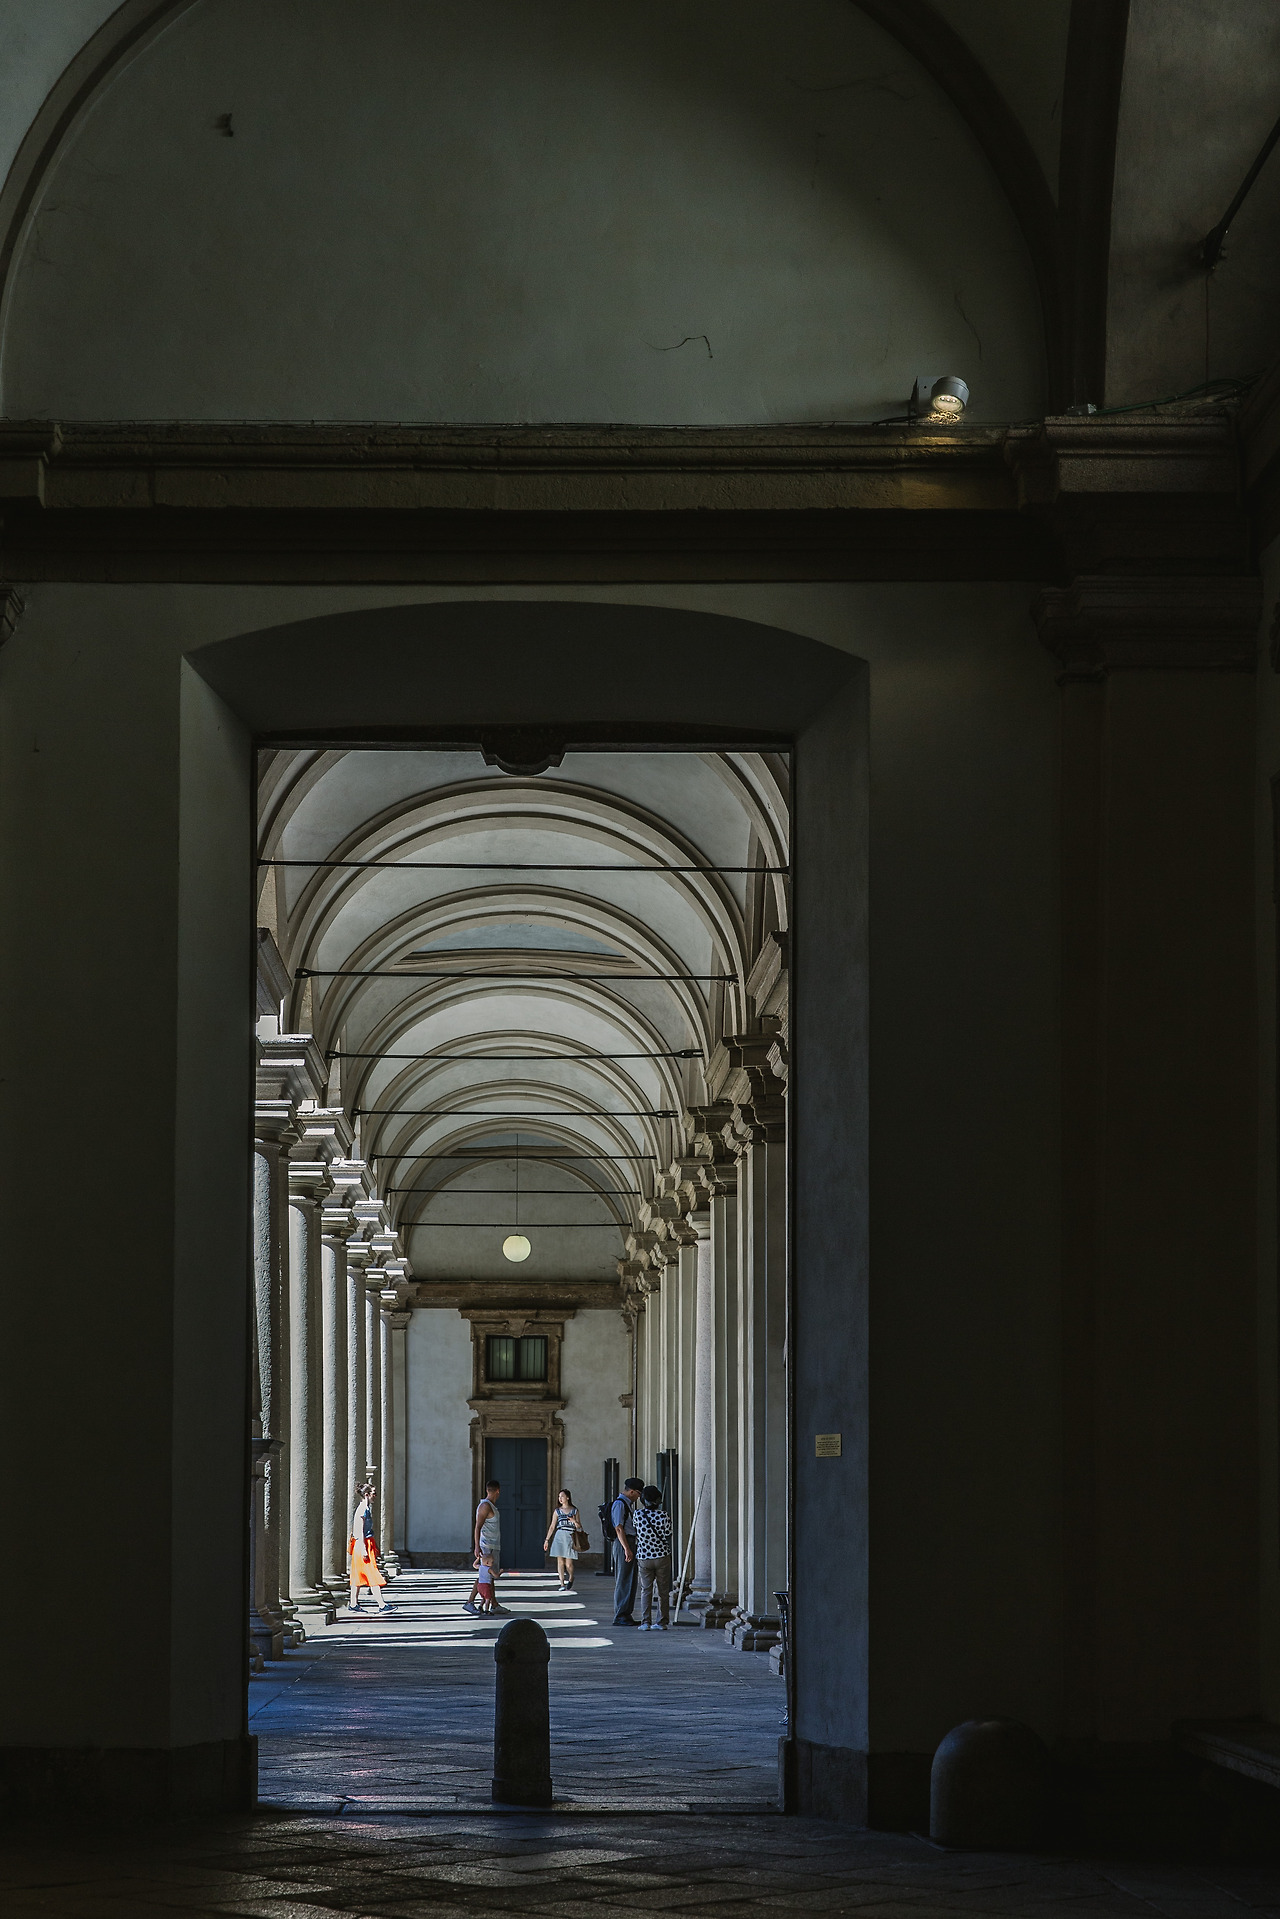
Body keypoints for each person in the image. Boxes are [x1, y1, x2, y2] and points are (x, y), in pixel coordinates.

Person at [463, 1478, 509, 1617]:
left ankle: (494, 1605)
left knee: (489, 1577)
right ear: (498, 1491)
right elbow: (477, 1527)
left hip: (493, 1545)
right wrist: (477, 1546)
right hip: (486, 1546)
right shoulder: (485, 1506)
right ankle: (470, 1602)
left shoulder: (492, 1506)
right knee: (483, 1577)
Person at [633, 1485, 674, 1630]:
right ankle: (662, 1622)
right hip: (662, 1556)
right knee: (663, 1591)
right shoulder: (664, 1515)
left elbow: (636, 1530)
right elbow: (668, 1533)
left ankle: (646, 1622)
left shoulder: (638, 1515)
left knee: (646, 1590)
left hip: (644, 1557)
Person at [348, 1478, 388, 1613]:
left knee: (357, 1574)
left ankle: (353, 1603)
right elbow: (359, 1530)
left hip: (363, 1544)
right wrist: (364, 1549)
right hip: (363, 1544)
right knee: (372, 1573)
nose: (375, 1496)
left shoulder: (364, 1509)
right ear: (367, 1495)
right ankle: (381, 1605)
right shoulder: (362, 1510)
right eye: (374, 1493)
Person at [610, 1475, 645, 1625]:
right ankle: (620, 1615)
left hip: (628, 1542)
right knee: (623, 1579)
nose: (638, 1497)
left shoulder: (626, 1504)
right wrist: (626, 1548)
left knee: (630, 1578)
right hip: (623, 1543)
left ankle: (626, 1613)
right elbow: (618, 1528)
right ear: (632, 1492)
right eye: (638, 1494)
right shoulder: (620, 1504)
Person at [544, 1487, 583, 1591]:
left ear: (568, 1497)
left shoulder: (574, 1510)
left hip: (570, 1536)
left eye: (562, 1496)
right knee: (560, 1561)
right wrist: (547, 1540)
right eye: (559, 1497)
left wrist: (574, 1521)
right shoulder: (557, 1511)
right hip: (559, 1536)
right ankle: (562, 1584)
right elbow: (552, 1526)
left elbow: (579, 1527)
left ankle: (571, 1577)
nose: (560, 1498)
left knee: (569, 1563)